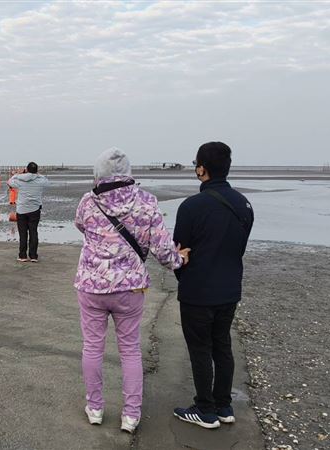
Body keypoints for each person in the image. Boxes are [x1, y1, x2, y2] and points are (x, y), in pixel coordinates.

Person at [74, 147, 190, 433]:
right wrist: (180, 260)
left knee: (92, 346)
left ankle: (95, 408)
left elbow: (81, 226)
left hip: (92, 285)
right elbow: (164, 249)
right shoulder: (147, 201)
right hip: (130, 287)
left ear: (98, 172)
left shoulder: (88, 202)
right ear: (128, 172)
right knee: (129, 350)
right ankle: (131, 415)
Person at [172, 142, 254, 429]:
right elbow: (239, 247)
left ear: (201, 168)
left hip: (198, 290)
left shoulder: (192, 206)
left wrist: (184, 275)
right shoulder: (244, 204)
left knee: (200, 349)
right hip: (230, 288)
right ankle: (224, 405)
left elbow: (179, 252)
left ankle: (205, 409)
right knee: (222, 345)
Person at [7, 162, 48, 262]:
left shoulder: (21, 181)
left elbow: (10, 181)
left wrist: (18, 174)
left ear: (27, 169)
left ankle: (22, 255)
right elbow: (47, 181)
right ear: (36, 170)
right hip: (35, 209)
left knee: (23, 233)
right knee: (33, 232)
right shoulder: (40, 181)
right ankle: (33, 256)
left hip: (22, 210)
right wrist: (37, 174)